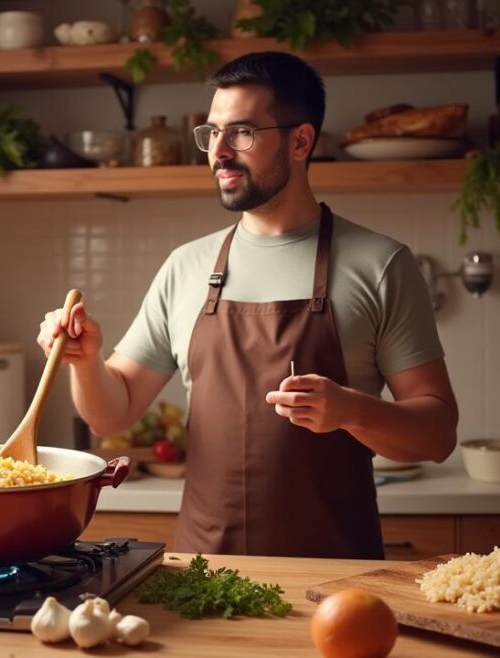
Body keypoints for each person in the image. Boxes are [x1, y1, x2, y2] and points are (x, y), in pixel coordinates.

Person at [37, 52, 458, 559]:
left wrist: (351, 410)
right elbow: (113, 412)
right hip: (204, 574)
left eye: (241, 133)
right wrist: (85, 362)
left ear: (300, 141)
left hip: (337, 580)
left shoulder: (381, 264)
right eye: (212, 133)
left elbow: (437, 435)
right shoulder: (185, 266)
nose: (219, 152)